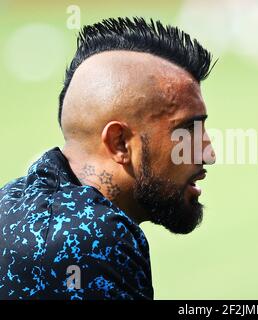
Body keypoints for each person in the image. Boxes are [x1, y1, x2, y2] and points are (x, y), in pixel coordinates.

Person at [0, 17, 216, 300]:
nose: (208, 154)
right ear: (120, 143)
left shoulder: (9, 200)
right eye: (187, 130)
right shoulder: (93, 239)